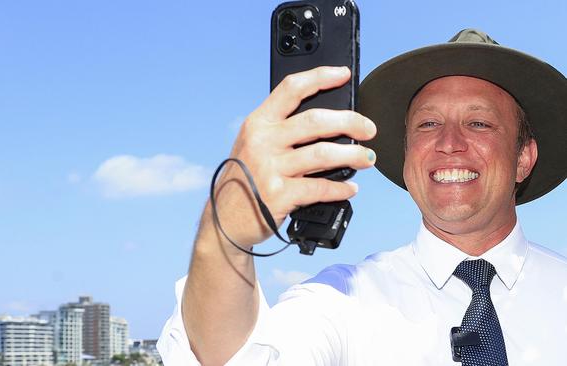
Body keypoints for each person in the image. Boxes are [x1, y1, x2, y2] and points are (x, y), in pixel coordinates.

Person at [157, 29, 567, 365]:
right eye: (427, 125)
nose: (449, 142)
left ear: (523, 159)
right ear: (408, 158)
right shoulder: (340, 300)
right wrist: (223, 230)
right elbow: (232, 359)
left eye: (478, 123)